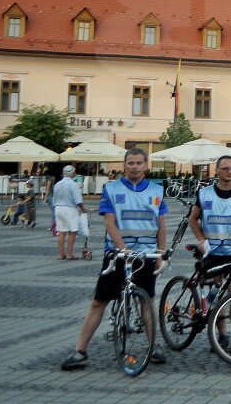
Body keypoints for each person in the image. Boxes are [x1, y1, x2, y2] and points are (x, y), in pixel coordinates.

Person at [61, 148, 168, 370]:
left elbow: (161, 224)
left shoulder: (157, 190)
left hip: (146, 254)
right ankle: (80, 350)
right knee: (99, 300)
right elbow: (109, 222)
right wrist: (122, 248)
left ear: (146, 165)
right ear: (124, 164)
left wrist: (160, 253)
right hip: (118, 254)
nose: (135, 167)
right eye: (131, 163)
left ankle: (154, 345)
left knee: (146, 300)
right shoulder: (111, 189)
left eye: (139, 163)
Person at [188, 155, 231, 354]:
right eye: (225, 168)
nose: (230, 172)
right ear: (217, 171)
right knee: (215, 295)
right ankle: (221, 335)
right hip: (211, 253)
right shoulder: (204, 194)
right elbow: (193, 219)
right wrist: (201, 240)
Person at [52, 165, 87, 260]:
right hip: (69, 209)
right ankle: (69, 254)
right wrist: (83, 209)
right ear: (73, 173)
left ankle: (60, 254)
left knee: (61, 231)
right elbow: (78, 201)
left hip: (58, 208)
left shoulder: (57, 184)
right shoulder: (73, 184)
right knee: (73, 231)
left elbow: (54, 198)